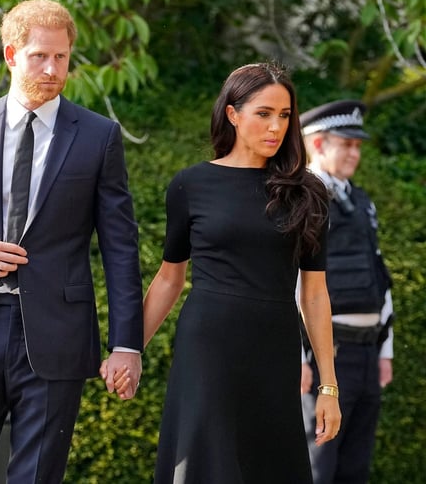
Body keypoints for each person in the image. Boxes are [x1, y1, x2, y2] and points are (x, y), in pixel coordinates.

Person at [0, 0, 144, 484]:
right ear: (10, 55)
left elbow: (121, 248)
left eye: (61, 57)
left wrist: (127, 344)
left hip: (56, 333)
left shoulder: (99, 136)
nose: (52, 68)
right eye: (40, 55)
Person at [142, 62, 341, 483]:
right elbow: (168, 278)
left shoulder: (308, 192)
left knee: (267, 465)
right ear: (233, 114)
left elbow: (315, 294)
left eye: (285, 116)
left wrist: (328, 386)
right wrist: (128, 349)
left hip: (274, 348)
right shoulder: (190, 185)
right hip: (207, 346)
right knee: (203, 465)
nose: (276, 127)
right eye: (264, 113)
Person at [300, 99, 394, 484]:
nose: (355, 153)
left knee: (355, 468)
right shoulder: (303, 197)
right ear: (319, 145)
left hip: (366, 353)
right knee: (317, 467)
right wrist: (298, 358)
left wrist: (384, 351)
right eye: (347, 144)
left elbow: (379, 275)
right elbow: (289, 282)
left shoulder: (360, 200)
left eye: (358, 146)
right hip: (326, 355)